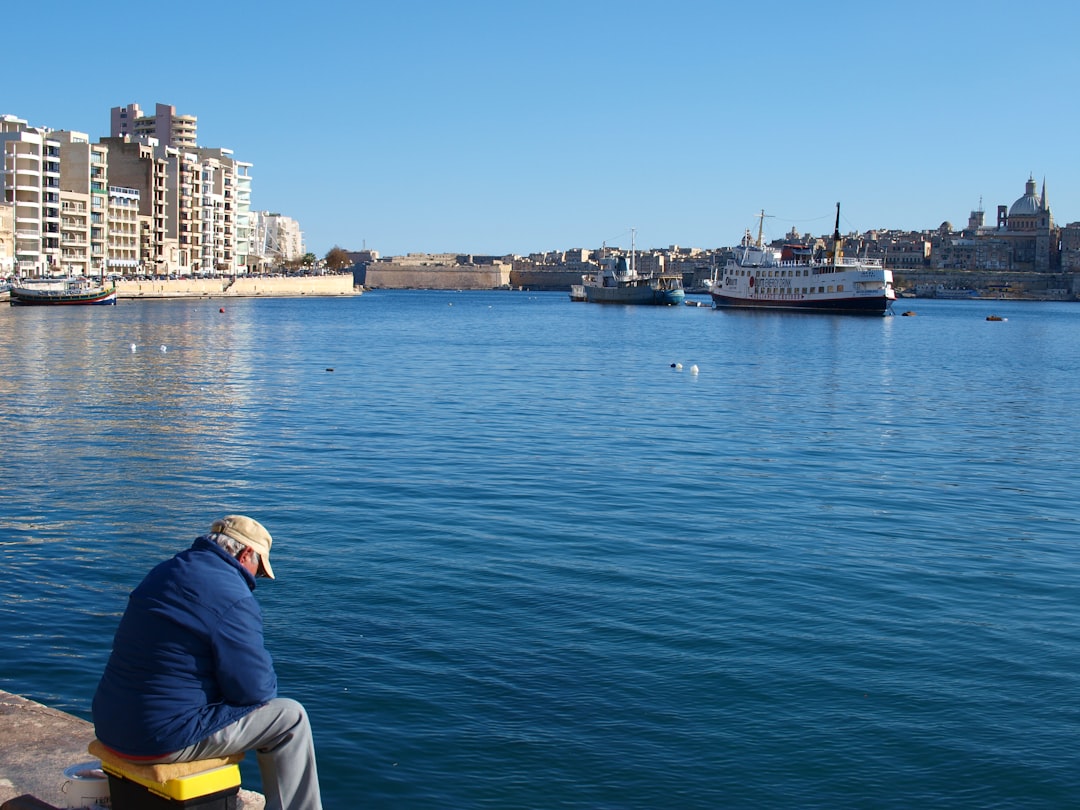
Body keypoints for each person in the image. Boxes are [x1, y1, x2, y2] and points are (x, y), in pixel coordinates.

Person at [93, 515, 322, 810]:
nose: (256, 580)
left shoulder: (164, 571)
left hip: (110, 723)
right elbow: (256, 692)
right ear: (245, 554)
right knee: (290, 718)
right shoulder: (233, 597)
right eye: (259, 571)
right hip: (158, 738)